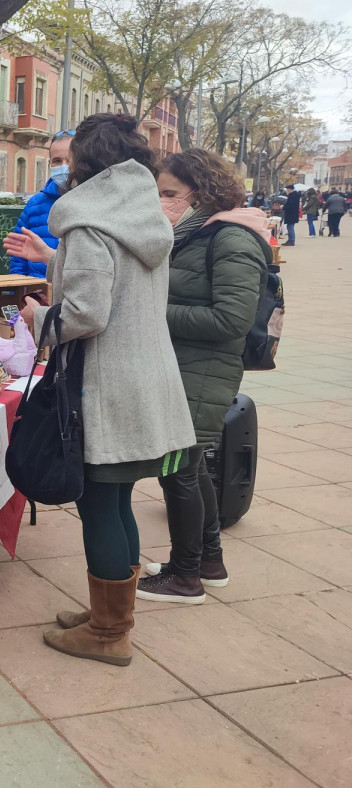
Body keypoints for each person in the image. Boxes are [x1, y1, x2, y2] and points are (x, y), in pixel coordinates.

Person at [3, 113, 195, 666]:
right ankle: (110, 614)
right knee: (117, 502)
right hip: (145, 384)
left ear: (85, 165)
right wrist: (55, 263)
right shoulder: (141, 217)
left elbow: (86, 313)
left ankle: (110, 634)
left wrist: (41, 317)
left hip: (107, 389)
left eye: (65, 159)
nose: (59, 169)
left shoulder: (88, 223)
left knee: (99, 508)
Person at [132, 149, 271, 603]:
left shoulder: (232, 238)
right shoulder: (198, 233)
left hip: (202, 375)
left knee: (179, 475)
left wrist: (153, 312)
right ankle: (206, 562)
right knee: (190, 470)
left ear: (202, 191)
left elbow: (231, 319)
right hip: (186, 370)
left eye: (169, 193)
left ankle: (185, 577)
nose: (162, 202)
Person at [9, 129, 74, 278]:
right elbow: (18, 259)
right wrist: (23, 296)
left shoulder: (92, 203)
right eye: (57, 161)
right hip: (36, 296)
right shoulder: (34, 205)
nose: (63, 166)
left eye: (69, 160)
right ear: (49, 163)